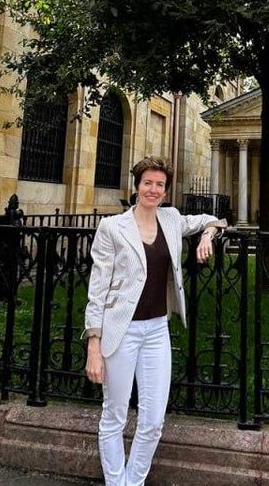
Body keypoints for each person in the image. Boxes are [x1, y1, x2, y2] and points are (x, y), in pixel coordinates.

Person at [82, 156, 227, 486]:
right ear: (136, 186)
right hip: (121, 331)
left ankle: (133, 482)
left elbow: (215, 219)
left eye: (160, 185)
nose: (153, 189)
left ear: (165, 190)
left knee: (152, 421)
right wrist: (94, 343)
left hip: (157, 330)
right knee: (115, 415)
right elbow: (98, 288)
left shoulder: (171, 218)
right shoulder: (112, 227)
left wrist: (208, 235)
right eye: (147, 182)